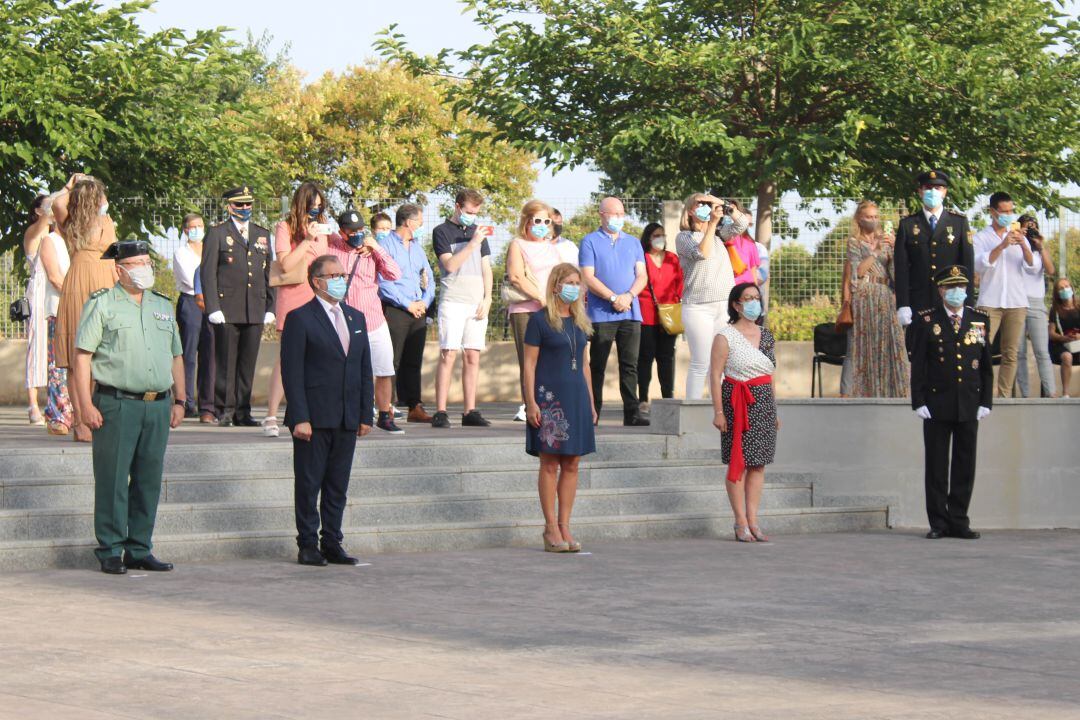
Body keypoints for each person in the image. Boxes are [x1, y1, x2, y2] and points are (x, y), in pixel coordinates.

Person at [71, 240, 185, 574]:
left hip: (158, 405)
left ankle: (139, 547)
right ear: (119, 269)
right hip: (116, 403)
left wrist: (181, 399)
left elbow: (176, 355)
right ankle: (109, 547)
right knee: (113, 478)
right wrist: (83, 407)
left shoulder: (162, 305)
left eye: (147, 262)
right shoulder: (103, 304)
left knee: (149, 479)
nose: (144, 269)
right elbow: (82, 358)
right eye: (135, 263)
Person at [281, 255, 374, 567]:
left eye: (342, 273)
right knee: (309, 483)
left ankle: (332, 540)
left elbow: (364, 368)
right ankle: (307, 543)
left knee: (337, 484)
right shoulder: (300, 318)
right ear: (316, 281)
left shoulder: (356, 318)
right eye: (332, 274)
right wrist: (300, 416)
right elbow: (291, 371)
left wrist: (365, 414)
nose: (340, 279)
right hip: (314, 417)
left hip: (347, 416)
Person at [909, 265, 992, 540]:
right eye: (952, 287)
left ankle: (959, 520)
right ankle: (938, 522)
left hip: (968, 401)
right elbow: (919, 364)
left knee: (965, 464)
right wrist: (918, 400)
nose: (958, 292)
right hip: (936, 402)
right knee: (936, 465)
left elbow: (985, 365)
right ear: (941, 290)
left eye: (962, 287)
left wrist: (986, 400)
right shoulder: (926, 319)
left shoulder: (979, 319)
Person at [523, 263, 597, 553]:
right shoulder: (539, 321)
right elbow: (528, 365)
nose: (574, 287)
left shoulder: (580, 321)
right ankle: (550, 527)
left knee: (573, 463)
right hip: (548, 399)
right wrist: (530, 402)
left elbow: (585, 364)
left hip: (576, 397)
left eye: (577, 282)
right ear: (555, 285)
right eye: (568, 281)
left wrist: (591, 401)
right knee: (550, 463)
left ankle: (566, 525)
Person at [200, 186, 275, 428]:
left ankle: (244, 410)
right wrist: (213, 306)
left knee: (247, 363)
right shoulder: (218, 233)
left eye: (248, 204)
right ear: (229, 206)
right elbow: (208, 273)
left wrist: (270, 306)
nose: (244, 209)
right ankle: (225, 410)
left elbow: (268, 272)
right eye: (239, 204)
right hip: (227, 307)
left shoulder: (262, 234)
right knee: (226, 361)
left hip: (254, 306)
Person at [709, 283, 779, 543]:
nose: (753, 302)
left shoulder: (767, 335)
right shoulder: (725, 336)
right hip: (736, 400)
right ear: (736, 305)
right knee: (738, 462)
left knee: (758, 463)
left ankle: (753, 519)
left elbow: (770, 375)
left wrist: (774, 411)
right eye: (747, 298)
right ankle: (740, 521)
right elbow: (715, 374)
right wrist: (718, 411)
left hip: (762, 402)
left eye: (756, 298)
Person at [54, 175, 119, 444]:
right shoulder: (70, 221)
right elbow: (57, 202)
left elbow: (115, 256)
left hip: (106, 283)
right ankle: (80, 421)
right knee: (77, 354)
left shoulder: (108, 221)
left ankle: (97, 415)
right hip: (79, 284)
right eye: (100, 194)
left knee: (102, 355)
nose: (105, 199)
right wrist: (71, 184)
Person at [263, 182, 330, 438]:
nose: (316, 210)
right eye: (312, 205)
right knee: (288, 358)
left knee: (318, 356)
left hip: (319, 297)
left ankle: (309, 412)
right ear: (301, 203)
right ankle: (271, 415)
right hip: (293, 297)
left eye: (320, 205)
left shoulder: (324, 229)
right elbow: (286, 263)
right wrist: (307, 240)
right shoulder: (285, 227)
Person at [327, 208, 403, 434]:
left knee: (384, 370)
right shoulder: (332, 248)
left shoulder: (372, 252)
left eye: (361, 229)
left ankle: (384, 415)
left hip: (373, 320)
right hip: (344, 322)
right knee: (347, 373)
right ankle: (353, 415)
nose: (357, 234)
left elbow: (394, 274)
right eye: (352, 231)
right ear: (342, 232)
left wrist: (376, 247)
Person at [580, 196, 650, 426]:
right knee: (597, 365)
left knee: (630, 365)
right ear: (601, 215)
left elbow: (642, 275)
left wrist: (628, 296)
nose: (619, 218)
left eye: (621, 214)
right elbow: (588, 276)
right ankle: (593, 412)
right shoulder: (589, 241)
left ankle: (632, 412)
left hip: (630, 312)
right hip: (601, 314)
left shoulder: (633, 242)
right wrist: (612, 297)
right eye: (614, 214)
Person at [431, 189, 495, 428]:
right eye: (469, 211)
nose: (472, 216)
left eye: (476, 212)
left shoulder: (479, 233)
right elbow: (449, 265)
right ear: (458, 207)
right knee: (448, 354)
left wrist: (488, 298)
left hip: (476, 302)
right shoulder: (441, 231)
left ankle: (470, 410)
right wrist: (472, 244)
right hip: (453, 301)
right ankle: (440, 410)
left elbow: (486, 267)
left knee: (472, 355)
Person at [973, 192, 1039, 398]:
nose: (1009, 215)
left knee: (1011, 353)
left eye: (1011, 211)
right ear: (993, 212)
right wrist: (1002, 245)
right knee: (979, 349)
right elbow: (979, 266)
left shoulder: (1020, 237)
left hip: (1016, 302)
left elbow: (1032, 266)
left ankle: (1003, 396)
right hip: (988, 302)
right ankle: (980, 393)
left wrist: (1023, 245)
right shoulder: (981, 237)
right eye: (1004, 211)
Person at [894, 170, 974, 341]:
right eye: (928, 188)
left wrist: (967, 304)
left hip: (950, 301)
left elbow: (967, 265)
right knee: (919, 356)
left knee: (951, 354)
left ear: (945, 192)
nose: (932, 192)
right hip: (918, 302)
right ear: (920, 192)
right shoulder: (907, 225)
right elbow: (901, 269)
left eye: (938, 188)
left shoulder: (959, 223)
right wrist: (902, 304)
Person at [506, 200, 564, 423]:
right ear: (527, 221)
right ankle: (528, 405)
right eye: (537, 220)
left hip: (551, 310)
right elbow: (516, 277)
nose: (542, 225)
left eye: (546, 221)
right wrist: (541, 298)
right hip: (526, 310)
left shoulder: (552, 247)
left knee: (550, 359)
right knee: (529, 360)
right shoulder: (517, 244)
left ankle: (549, 403)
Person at [845, 200, 909, 397]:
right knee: (864, 342)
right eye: (868, 217)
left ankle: (894, 390)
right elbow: (857, 272)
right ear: (859, 219)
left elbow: (895, 274)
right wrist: (876, 251)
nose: (873, 221)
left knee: (892, 341)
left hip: (885, 295)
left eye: (876, 217)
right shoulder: (854, 242)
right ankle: (863, 390)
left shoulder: (886, 239)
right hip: (864, 295)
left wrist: (897, 249)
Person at [378, 203, 436, 423]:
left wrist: (424, 300)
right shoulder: (386, 245)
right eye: (420, 222)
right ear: (409, 222)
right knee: (391, 360)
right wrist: (407, 304)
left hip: (418, 309)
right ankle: (388, 406)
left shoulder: (418, 248)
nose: (421, 226)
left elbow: (428, 277)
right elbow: (383, 282)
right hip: (396, 309)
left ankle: (414, 406)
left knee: (413, 360)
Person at [676, 193, 737, 399]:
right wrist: (711, 225)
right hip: (698, 307)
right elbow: (701, 253)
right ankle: (692, 410)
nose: (705, 207)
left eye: (707, 204)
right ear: (690, 210)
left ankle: (718, 409)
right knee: (701, 361)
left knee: (718, 363)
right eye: (700, 204)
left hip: (723, 305)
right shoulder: (684, 237)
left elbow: (741, 224)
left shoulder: (720, 235)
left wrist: (723, 204)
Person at [173, 213, 215, 420]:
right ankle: (187, 402)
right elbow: (191, 280)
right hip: (191, 302)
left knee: (210, 354)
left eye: (200, 225)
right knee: (188, 354)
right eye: (192, 226)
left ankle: (208, 405)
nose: (197, 229)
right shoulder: (182, 253)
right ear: (185, 230)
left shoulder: (210, 250)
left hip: (212, 303)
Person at [37, 194, 73, 435]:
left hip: (82, 309)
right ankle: (58, 416)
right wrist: (76, 293)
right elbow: (54, 276)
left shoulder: (78, 241)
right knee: (58, 364)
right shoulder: (49, 241)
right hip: (59, 309)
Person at [637, 222, 683, 410]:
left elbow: (680, 283)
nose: (660, 239)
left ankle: (667, 398)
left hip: (669, 314)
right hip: (646, 315)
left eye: (662, 235)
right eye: (656, 235)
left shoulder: (672, 258)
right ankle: (643, 399)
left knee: (666, 358)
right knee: (645, 358)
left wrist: (677, 301)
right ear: (648, 238)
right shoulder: (641, 258)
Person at [1015, 215, 1056, 397]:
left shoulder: (1039, 250)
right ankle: (1024, 394)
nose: (1030, 230)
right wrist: (1019, 237)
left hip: (1035, 302)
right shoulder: (1014, 246)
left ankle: (1050, 392)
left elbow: (1051, 270)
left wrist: (1041, 245)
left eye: (1034, 227)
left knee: (1041, 351)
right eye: (1027, 227)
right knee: (1019, 352)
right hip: (1015, 300)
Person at [23, 194, 51, 426]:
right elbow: (44, 221)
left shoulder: (56, 236)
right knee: (37, 346)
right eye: (47, 206)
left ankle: (56, 401)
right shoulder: (34, 232)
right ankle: (33, 405)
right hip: (40, 290)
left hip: (55, 289)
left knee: (55, 347)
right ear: (39, 211)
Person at [1049, 278, 1079, 397]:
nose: (1065, 290)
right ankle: (1065, 393)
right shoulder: (1055, 310)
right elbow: (1051, 333)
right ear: (1057, 293)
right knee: (1067, 357)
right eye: (1061, 288)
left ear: (1072, 288)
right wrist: (1065, 338)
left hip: (1078, 344)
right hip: (1061, 345)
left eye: (1067, 286)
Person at [722, 199, 762, 285]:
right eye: (727, 211)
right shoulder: (718, 239)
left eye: (732, 211)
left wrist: (755, 292)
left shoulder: (750, 243)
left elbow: (753, 270)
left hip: (745, 288)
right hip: (725, 287)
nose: (730, 214)